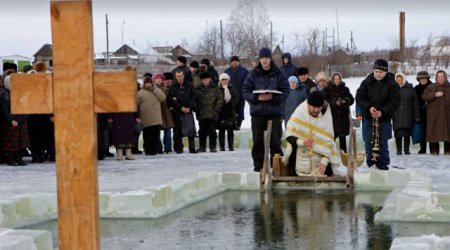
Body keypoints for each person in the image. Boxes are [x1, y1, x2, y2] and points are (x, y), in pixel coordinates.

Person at [242, 47, 290, 172]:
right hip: (257, 114)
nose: (264, 61)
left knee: (275, 142)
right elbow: (245, 91)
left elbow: (286, 91)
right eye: (262, 58)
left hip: (274, 114)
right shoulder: (253, 74)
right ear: (260, 59)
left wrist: (273, 97)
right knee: (258, 142)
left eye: (266, 58)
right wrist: (256, 97)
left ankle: (277, 168)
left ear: (270, 59)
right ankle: (258, 168)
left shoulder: (279, 74)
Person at [355, 59, 400, 170]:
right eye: (376, 71)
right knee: (369, 143)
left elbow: (395, 101)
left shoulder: (392, 83)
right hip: (369, 118)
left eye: (380, 72)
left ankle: (383, 166)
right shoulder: (367, 81)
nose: (378, 74)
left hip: (384, 118)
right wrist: (369, 107)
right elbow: (359, 97)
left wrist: (382, 112)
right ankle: (371, 165)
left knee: (382, 143)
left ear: (385, 72)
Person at [283, 91, 341, 176]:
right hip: (299, 159)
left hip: (319, 165)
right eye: (314, 107)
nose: (316, 110)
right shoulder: (300, 113)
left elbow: (329, 142)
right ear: (308, 105)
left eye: (319, 107)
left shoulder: (325, 116)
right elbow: (288, 135)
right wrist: (301, 141)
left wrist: (324, 161)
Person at [0, 74, 30, 166]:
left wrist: (24, 118)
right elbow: (4, 109)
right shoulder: (4, 93)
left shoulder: (21, 92)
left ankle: (19, 158)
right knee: (11, 142)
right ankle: (11, 159)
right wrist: (11, 120)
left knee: (21, 142)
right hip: (12, 121)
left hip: (21, 120)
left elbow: (27, 105)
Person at [322, 72, 355, 153]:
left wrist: (344, 101)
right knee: (331, 136)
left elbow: (351, 99)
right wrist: (334, 102)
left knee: (342, 136)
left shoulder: (345, 89)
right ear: (332, 79)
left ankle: (343, 154)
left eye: (338, 79)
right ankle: (331, 153)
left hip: (343, 117)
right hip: (332, 117)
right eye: (335, 79)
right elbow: (324, 100)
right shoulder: (327, 89)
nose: (337, 80)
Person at [168, 70, 197, 154]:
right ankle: (179, 148)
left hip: (188, 110)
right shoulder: (173, 87)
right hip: (178, 111)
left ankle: (192, 148)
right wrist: (180, 108)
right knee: (178, 130)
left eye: (180, 76)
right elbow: (171, 99)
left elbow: (193, 96)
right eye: (177, 76)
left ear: (183, 76)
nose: (179, 78)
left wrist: (189, 107)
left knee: (190, 129)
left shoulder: (190, 85)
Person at [422, 70, 450, 155]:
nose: (440, 78)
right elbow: (424, 96)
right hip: (434, 114)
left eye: (442, 77)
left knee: (448, 131)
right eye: (438, 77)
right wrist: (434, 94)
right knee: (433, 132)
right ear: (436, 78)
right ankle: (434, 151)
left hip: (447, 114)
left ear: (445, 77)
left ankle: (448, 151)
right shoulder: (431, 87)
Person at [194, 71, 223, 152]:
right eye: (204, 80)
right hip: (201, 113)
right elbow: (194, 100)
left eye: (207, 79)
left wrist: (217, 108)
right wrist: (196, 108)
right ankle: (202, 147)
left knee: (212, 131)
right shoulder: (197, 89)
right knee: (202, 131)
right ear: (201, 80)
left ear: (209, 79)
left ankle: (212, 147)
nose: (205, 81)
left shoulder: (215, 88)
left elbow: (220, 99)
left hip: (212, 113)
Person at [137, 76, 166, 155]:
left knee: (155, 135)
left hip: (156, 118)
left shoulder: (156, 90)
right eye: (147, 83)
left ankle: (154, 150)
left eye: (149, 83)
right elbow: (137, 104)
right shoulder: (140, 92)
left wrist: (154, 90)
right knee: (147, 135)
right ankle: (147, 150)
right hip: (146, 117)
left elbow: (163, 98)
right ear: (144, 84)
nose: (148, 85)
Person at [392, 72, 420, 155]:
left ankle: (406, 150)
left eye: (400, 80)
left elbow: (415, 103)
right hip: (396, 115)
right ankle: (399, 150)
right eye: (397, 80)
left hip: (408, 114)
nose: (399, 82)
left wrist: (417, 116)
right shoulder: (392, 90)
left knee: (407, 133)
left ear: (404, 80)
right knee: (398, 133)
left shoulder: (410, 89)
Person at [224, 55, 249, 130]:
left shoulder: (244, 71)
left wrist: (245, 92)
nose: (234, 63)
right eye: (233, 62)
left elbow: (247, 82)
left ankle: (239, 124)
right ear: (231, 63)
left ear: (238, 62)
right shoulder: (227, 71)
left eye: (236, 61)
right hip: (230, 96)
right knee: (231, 111)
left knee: (240, 111)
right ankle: (232, 124)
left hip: (241, 95)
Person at [154, 73, 175, 154]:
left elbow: (170, 98)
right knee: (157, 130)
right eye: (157, 78)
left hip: (167, 111)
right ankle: (158, 148)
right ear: (154, 80)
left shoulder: (167, 88)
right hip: (157, 111)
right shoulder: (153, 89)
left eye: (160, 78)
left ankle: (168, 148)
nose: (158, 80)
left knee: (168, 129)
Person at [217, 73, 238, 151]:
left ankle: (231, 146)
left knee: (230, 128)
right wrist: (221, 105)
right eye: (222, 80)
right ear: (220, 80)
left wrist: (231, 104)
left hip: (230, 110)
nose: (224, 81)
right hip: (221, 111)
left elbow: (236, 97)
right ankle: (222, 147)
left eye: (225, 79)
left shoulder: (231, 88)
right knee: (221, 129)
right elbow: (216, 98)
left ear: (227, 80)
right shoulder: (218, 88)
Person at [414, 71, 432, 154]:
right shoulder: (416, 88)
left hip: (432, 112)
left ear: (427, 78)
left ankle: (433, 149)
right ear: (419, 79)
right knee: (422, 131)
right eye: (421, 78)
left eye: (424, 78)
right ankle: (423, 149)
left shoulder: (432, 86)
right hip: (421, 113)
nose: (423, 80)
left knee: (432, 131)